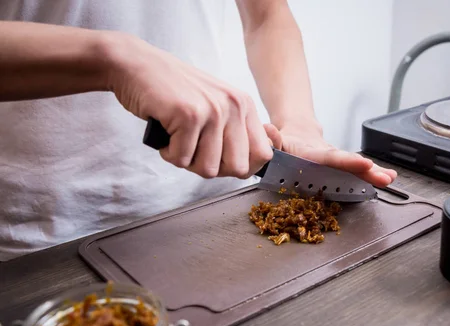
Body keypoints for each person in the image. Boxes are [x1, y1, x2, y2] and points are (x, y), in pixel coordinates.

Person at [0, 0, 397, 261]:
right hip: (50, 230)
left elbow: (266, 17)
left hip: (209, 206)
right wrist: (113, 57)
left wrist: (299, 125)